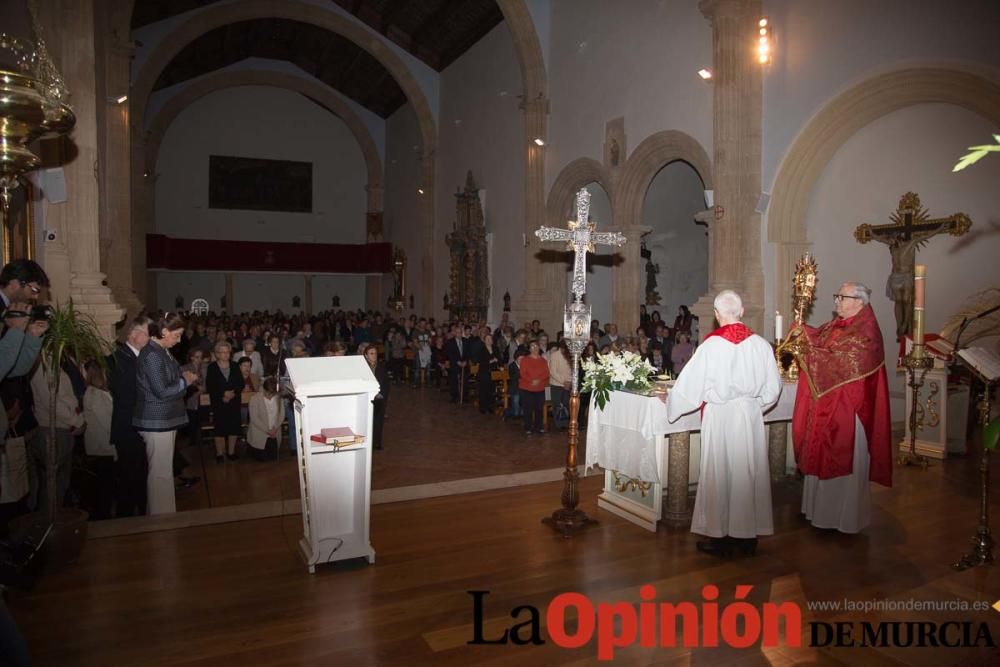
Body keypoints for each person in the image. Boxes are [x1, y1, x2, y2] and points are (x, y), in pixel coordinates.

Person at [666, 290, 782, 558]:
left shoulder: (711, 346)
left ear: (717, 316)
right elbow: (773, 390)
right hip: (748, 416)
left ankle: (721, 536)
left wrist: (672, 403)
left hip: (721, 416)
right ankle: (747, 536)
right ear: (741, 312)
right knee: (746, 473)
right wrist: (752, 407)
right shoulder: (761, 345)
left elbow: (689, 387)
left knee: (720, 473)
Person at [788, 282, 892, 533]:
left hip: (849, 409)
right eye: (837, 296)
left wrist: (810, 351)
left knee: (840, 458)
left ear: (859, 302)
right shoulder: (838, 325)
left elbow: (840, 362)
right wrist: (801, 332)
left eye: (841, 297)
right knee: (820, 454)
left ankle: (839, 518)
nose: (836, 301)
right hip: (827, 403)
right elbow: (819, 339)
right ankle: (816, 511)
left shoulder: (866, 332)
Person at [133, 313, 199, 515]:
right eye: (176, 335)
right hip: (156, 419)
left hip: (165, 419)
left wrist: (182, 378)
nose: (179, 340)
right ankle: (161, 516)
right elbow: (161, 390)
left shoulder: (161, 350)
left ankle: (166, 512)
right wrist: (184, 382)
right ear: (163, 332)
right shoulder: (152, 354)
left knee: (164, 471)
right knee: (160, 473)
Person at [108, 316, 150, 517]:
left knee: (141, 475)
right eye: (148, 334)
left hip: (141, 426)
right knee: (128, 477)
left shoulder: (140, 356)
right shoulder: (119, 358)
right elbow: (127, 394)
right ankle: (126, 520)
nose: (151, 339)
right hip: (128, 428)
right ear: (134, 335)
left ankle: (142, 513)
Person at [82, 362, 115, 520]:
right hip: (102, 446)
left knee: (106, 483)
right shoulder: (94, 394)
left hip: (104, 445)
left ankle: (104, 511)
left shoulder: (99, 392)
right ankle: (103, 514)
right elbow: (106, 422)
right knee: (104, 484)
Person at [207, 341, 246, 463]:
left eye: (227, 352)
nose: (225, 354)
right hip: (219, 402)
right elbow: (210, 385)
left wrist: (232, 393)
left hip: (234, 401)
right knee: (220, 428)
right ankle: (219, 453)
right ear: (217, 354)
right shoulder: (212, 367)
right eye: (222, 352)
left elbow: (241, 383)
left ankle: (231, 452)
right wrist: (223, 394)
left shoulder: (234, 365)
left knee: (233, 427)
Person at [247, 377, 282, 461]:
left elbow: (281, 415)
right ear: (264, 389)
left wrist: (275, 428)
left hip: (274, 432)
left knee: (273, 458)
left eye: (272, 394)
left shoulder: (278, 398)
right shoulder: (255, 399)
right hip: (260, 432)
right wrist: (267, 430)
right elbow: (254, 418)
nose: (270, 396)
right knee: (263, 459)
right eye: (268, 393)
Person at [519, 341, 549, 435]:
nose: (534, 348)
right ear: (529, 349)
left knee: (539, 409)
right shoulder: (525, 360)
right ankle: (528, 427)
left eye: (536, 346)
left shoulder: (543, 360)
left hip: (539, 388)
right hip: (527, 387)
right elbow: (522, 373)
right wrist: (532, 380)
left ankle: (538, 427)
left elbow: (546, 373)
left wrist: (538, 380)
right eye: (532, 346)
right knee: (528, 409)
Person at [364, 345, 389, 450]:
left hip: (379, 398)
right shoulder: (363, 368)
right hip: (366, 398)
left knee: (378, 421)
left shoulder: (381, 367)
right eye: (371, 353)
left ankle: (377, 443)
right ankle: (366, 442)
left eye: (375, 353)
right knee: (367, 421)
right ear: (366, 355)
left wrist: (382, 394)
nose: (374, 356)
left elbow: (386, 383)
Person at [476, 333, 500, 414]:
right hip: (484, 372)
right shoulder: (481, 349)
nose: (489, 341)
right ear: (484, 341)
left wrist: (497, 360)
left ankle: (490, 407)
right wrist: (491, 361)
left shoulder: (495, 348)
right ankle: (483, 407)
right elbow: (480, 360)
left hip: (493, 372)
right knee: (483, 391)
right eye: (487, 339)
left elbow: (499, 358)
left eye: (490, 339)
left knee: (492, 391)